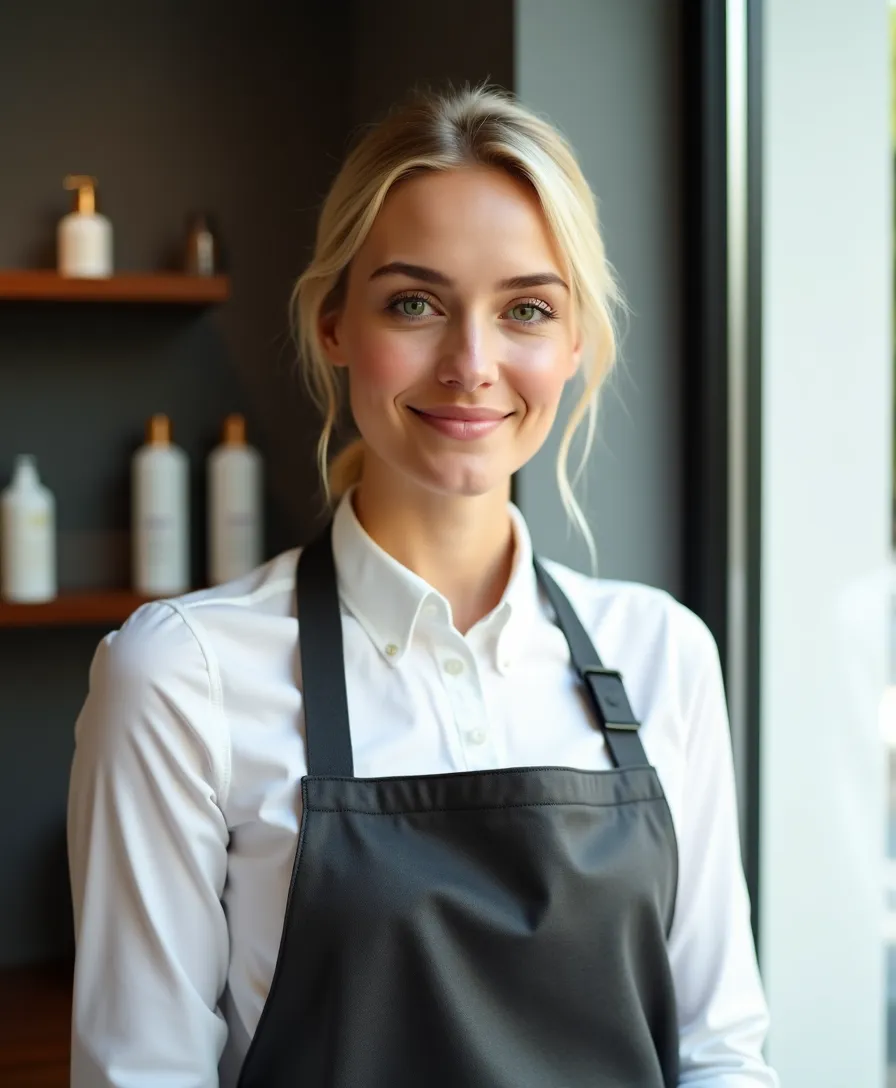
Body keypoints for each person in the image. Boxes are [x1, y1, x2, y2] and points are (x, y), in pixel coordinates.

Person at [67, 84, 778, 1087]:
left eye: (525, 308)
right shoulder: (181, 676)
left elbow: (718, 1055)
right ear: (332, 325)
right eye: (414, 303)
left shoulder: (660, 652)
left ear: (572, 346)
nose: (471, 363)